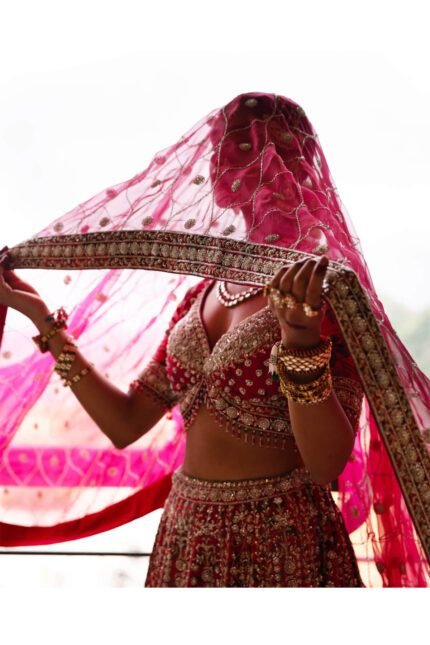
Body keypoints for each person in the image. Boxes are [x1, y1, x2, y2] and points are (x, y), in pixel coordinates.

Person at [0, 92, 428, 587]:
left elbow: (326, 462)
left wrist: (300, 340)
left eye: (259, 152)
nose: (239, 169)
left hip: (280, 541)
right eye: (228, 153)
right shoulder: (202, 294)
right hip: (187, 535)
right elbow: (125, 423)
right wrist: (39, 319)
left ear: (299, 170)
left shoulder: (322, 291)